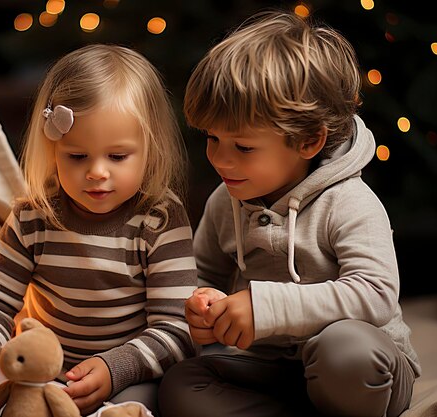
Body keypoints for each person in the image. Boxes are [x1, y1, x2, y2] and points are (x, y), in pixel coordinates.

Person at [158, 9, 421, 417]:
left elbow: (376, 294)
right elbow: (203, 273)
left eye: (243, 147)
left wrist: (265, 307)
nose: (221, 161)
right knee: (180, 385)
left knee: (347, 353)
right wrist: (203, 304)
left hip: (363, 368)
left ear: (309, 142)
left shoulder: (350, 202)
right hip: (267, 365)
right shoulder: (224, 201)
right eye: (212, 138)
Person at [0, 44, 198, 416]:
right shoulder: (33, 217)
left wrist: (115, 368)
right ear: (53, 148)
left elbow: (176, 329)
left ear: (150, 149)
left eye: (117, 156)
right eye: (77, 156)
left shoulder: (159, 220)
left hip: (131, 379)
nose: (97, 172)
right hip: (42, 376)